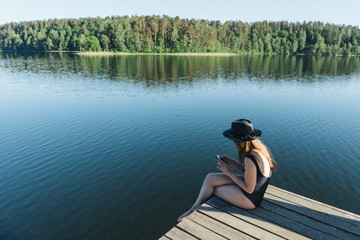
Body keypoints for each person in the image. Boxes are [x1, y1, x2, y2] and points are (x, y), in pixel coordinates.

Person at [177, 119, 277, 222]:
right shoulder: (259, 151)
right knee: (210, 178)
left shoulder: (250, 158)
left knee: (214, 189)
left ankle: (194, 211)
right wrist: (231, 160)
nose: (233, 141)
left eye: (234, 139)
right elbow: (246, 170)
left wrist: (229, 173)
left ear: (239, 141)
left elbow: (249, 189)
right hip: (255, 192)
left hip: (251, 200)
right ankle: (192, 209)